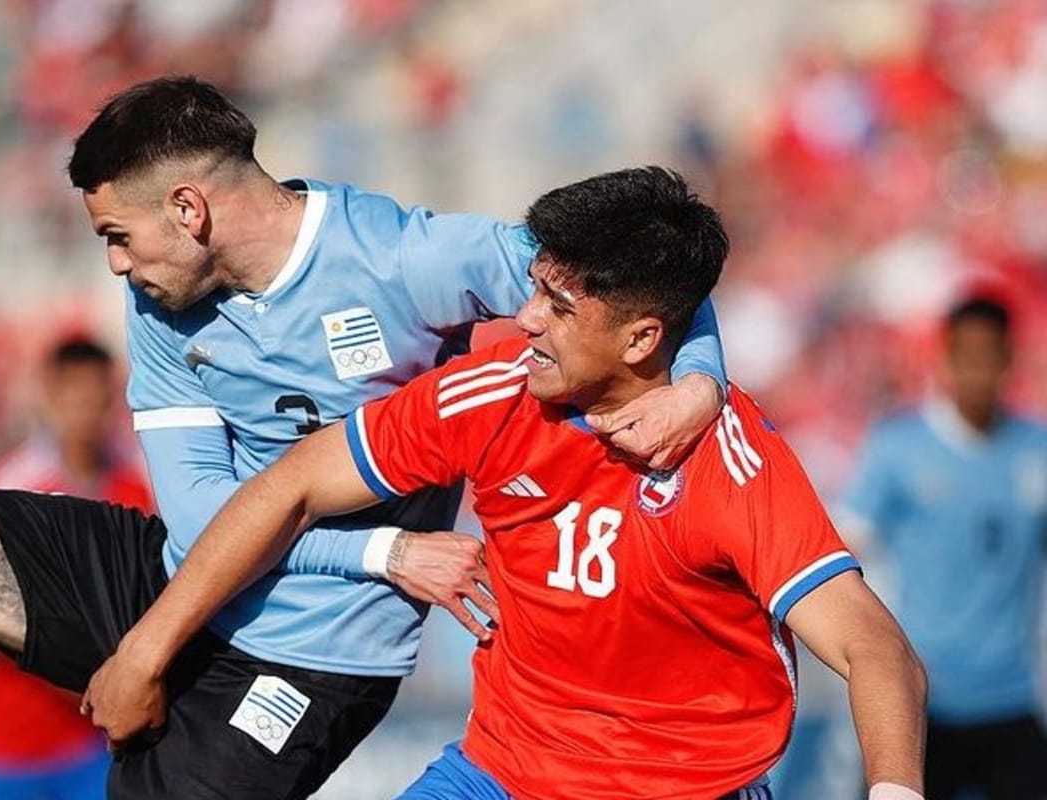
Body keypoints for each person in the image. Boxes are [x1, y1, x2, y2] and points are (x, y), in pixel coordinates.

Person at [0, 76, 729, 800]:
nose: (115, 264)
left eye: (119, 237)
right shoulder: (161, 304)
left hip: (315, 650)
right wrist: (382, 551)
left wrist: (700, 384)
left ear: (189, 209)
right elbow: (196, 519)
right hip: (186, 580)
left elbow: (647, 268)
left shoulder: (400, 261)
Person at [81, 167, 928, 800]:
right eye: (534, 291)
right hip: (502, 773)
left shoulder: (731, 462)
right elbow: (288, 486)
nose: (525, 319)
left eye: (559, 307)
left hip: (685, 785)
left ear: (640, 340)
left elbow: (875, 650)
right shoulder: (492, 392)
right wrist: (146, 650)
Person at [838, 296, 1047, 800]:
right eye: (967, 356)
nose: (978, 371)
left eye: (989, 356)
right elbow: (845, 549)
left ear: (1007, 361)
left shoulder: (1036, 450)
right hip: (922, 694)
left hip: (1009, 692)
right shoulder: (899, 448)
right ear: (947, 360)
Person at [0, 336, 152, 800]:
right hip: (2, 743)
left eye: (95, 395)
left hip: (92, 746)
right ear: (50, 394)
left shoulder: (137, 488)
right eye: (74, 394)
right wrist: (62, 664)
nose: (85, 410)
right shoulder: (11, 486)